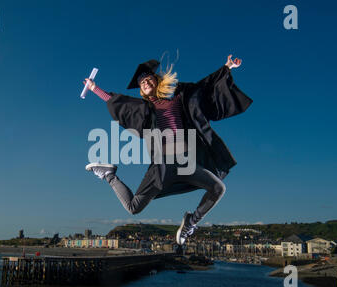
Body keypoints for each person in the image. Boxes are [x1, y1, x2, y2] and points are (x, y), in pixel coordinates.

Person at [84, 55, 252, 245]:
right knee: (134, 207)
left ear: (157, 82)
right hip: (163, 164)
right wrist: (94, 88)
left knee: (218, 188)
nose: (145, 82)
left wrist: (227, 67)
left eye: (149, 79)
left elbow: (204, 86)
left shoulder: (179, 99)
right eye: (142, 82)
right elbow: (120, 103)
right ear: (141, 90)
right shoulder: (145, 109)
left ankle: (190, 222)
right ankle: (109, 175)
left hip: (186, 162)